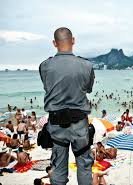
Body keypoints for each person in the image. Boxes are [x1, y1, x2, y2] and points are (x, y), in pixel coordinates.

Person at [39, 27, 95, 185]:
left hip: (57, 125)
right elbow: (88, 89)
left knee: (58, 167)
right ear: (73, 40)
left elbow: (48, 86)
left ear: (54, 43)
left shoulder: (45, 66)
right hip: (79, 124)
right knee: (84, 165)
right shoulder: (86, 65)